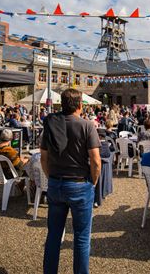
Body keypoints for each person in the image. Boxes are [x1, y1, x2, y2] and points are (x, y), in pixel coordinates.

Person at [41, 88, 101, 274]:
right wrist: (93, 182)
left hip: (56, 183)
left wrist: (51, 176)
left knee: (54, 235)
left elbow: (44, 157)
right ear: (80, 105)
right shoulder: (86, 125)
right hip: (79, 184)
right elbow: (96, 160)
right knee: (82, 237)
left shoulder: (51, 124)